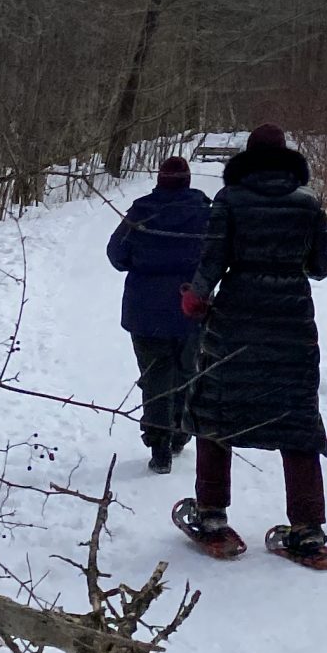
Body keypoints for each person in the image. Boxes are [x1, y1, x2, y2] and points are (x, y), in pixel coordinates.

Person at [177, 123, 327, 562]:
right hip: (292, 321)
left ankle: (211, 513)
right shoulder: (308, 204)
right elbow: (324, 265)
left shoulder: (229, 200)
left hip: (237, 317)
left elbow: (212, 260)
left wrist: (195, 298)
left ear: (247, 158)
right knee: (297, 416)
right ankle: (307, 527)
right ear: (287, 158)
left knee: (217, 410)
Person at [104, 152, 213, 473]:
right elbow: (217, 256)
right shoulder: (205, 213)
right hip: (191, 306)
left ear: (159, 181)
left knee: (155, 377)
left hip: (145, 310)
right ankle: (178, 432)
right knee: (185, 371)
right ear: (189, 181)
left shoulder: (141, 212)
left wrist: (142, 265)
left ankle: (160, 446)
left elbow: (116, 254)